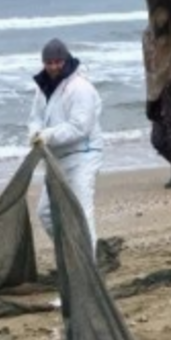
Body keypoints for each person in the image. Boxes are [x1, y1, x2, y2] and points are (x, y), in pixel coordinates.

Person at [27, 38, 104, 256]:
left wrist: (47, 136)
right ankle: (71, 256)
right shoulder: (43, 88)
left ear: (66, 60)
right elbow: (35, 118)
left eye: (57, 62)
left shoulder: (80, 88)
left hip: (84, 157)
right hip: (56, 159)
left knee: (81, 212)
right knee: (46, 213)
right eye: (48, 62)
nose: (53, 67)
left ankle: (88, 267)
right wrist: (34, 133)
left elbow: (79, 128)